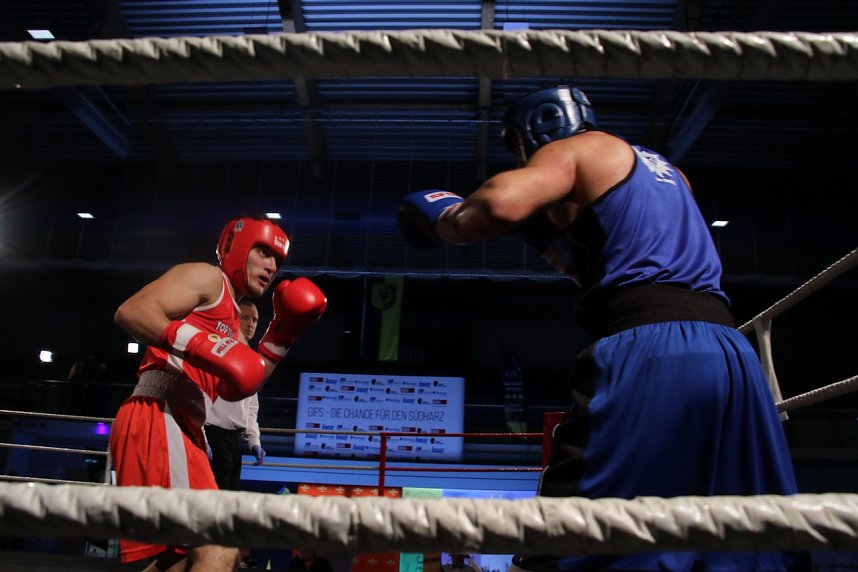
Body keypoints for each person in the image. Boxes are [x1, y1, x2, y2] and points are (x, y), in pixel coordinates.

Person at [398, 85, 807, 571]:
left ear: (535, 130)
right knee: (745, 535)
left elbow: (500, 206)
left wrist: (447, 218)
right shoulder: (670, 173)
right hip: (729, 355)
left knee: (571, 529)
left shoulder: (575, 149)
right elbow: (635, 255)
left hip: (652, 349)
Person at [110, 214, 327, 572]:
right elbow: (131, 312)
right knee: (220, 550)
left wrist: (281, 339)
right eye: (263, 252)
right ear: (235, 247)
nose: (272, 266)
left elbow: (240, 386)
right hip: (159, 412)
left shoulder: (231, 318)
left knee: (178, 559)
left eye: (278, 260)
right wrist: (198, 343)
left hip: (186, 424)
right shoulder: (207, 277)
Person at [205, 299, 266, 493]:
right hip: (213, 433)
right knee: (213, 497)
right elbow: (202, 392)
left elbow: (251, 407)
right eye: (245, 318)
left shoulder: (252, 360)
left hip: (234, 439)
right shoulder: (218, 351)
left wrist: (254, 441)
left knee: (229, 496)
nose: (251, 324)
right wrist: (202, 436)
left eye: (255, 320)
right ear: (234, 319)